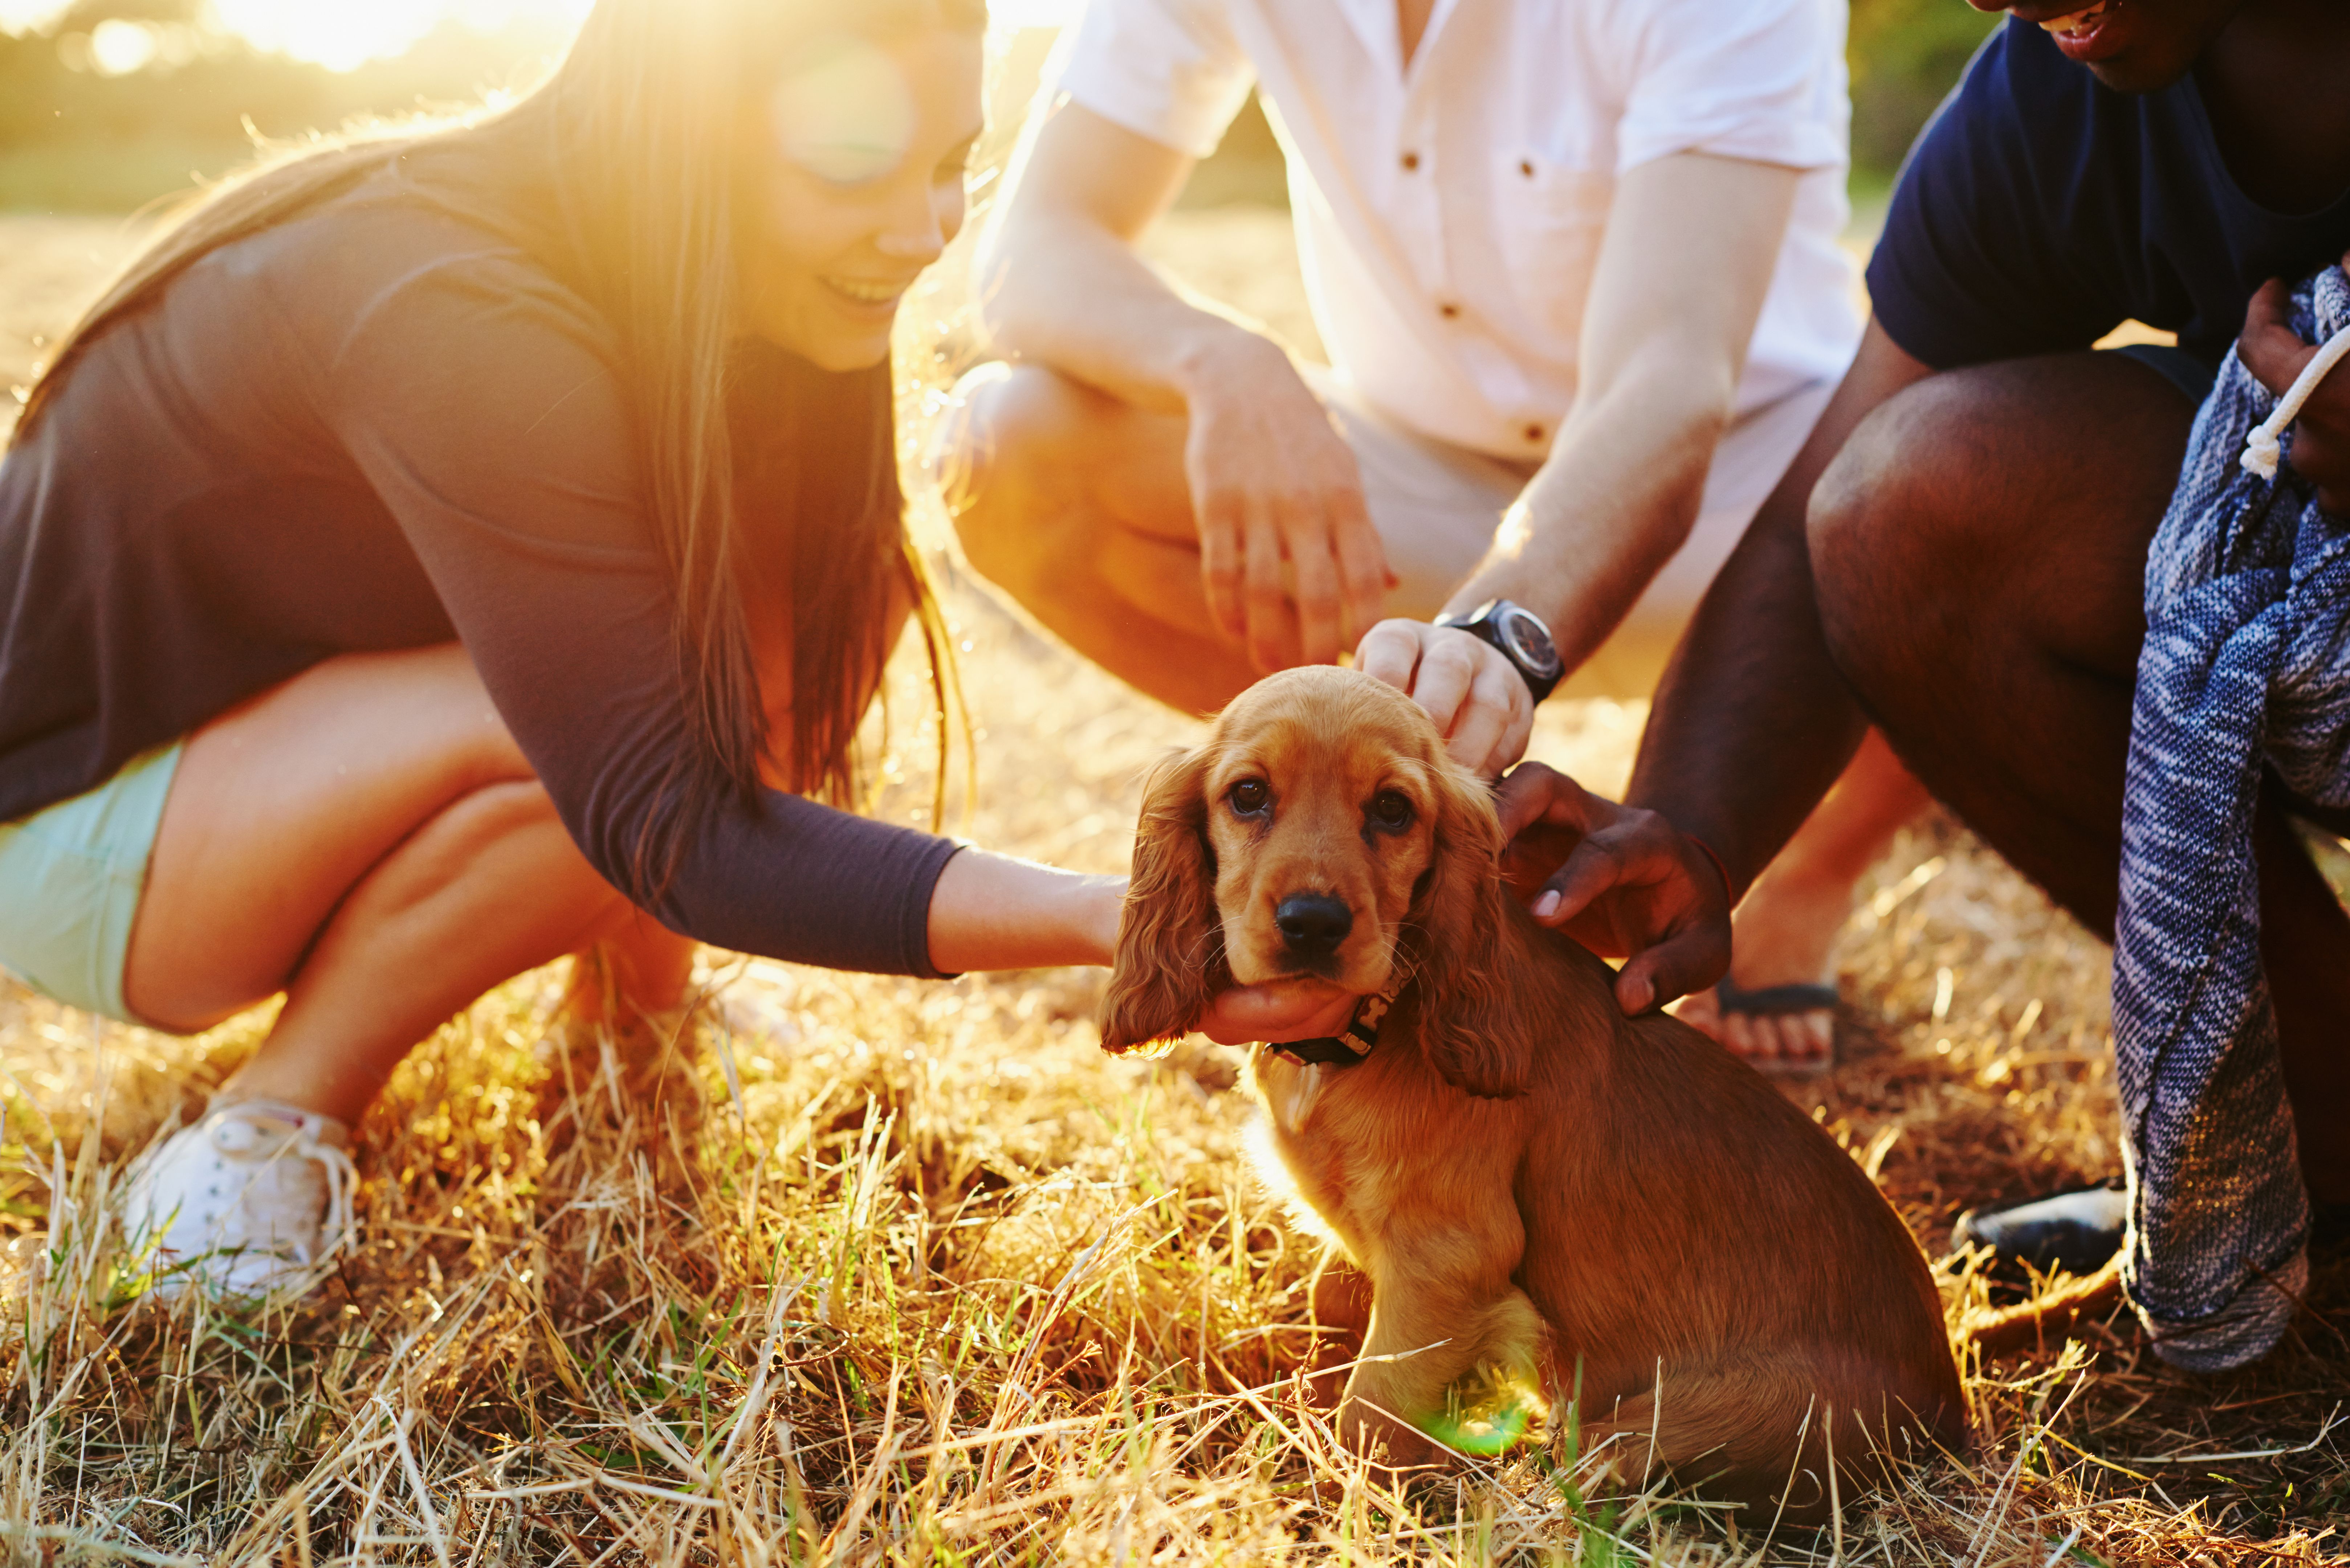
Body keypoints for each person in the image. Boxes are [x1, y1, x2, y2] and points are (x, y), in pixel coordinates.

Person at [0, 0, 1304, 1303]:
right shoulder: (456, 303)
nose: (919, 232)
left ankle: (634, 1015)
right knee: (638, 720)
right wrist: (1123, 920)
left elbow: (755, 669)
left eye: (950, 164)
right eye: (852, 165)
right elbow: (671, 808)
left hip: (272, 766)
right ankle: (265, 1137)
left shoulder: (701, 277)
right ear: (687, 133)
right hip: (77, 834)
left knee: (808, 609)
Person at [1494, 0, 2350, 1299]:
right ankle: (2328, 1156)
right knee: (1908, 500)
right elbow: (1822, 511)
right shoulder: (2053, 100)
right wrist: (1689, 830)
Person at [940, 0, 1924, 1072]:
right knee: (1012, 451)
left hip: (1742, 507)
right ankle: (1388, 861)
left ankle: (1804, 870)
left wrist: (1494, 641)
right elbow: (1029, 250)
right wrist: (1218, 362)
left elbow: (1667, 382)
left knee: (1911, 498)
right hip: (1418, 480)